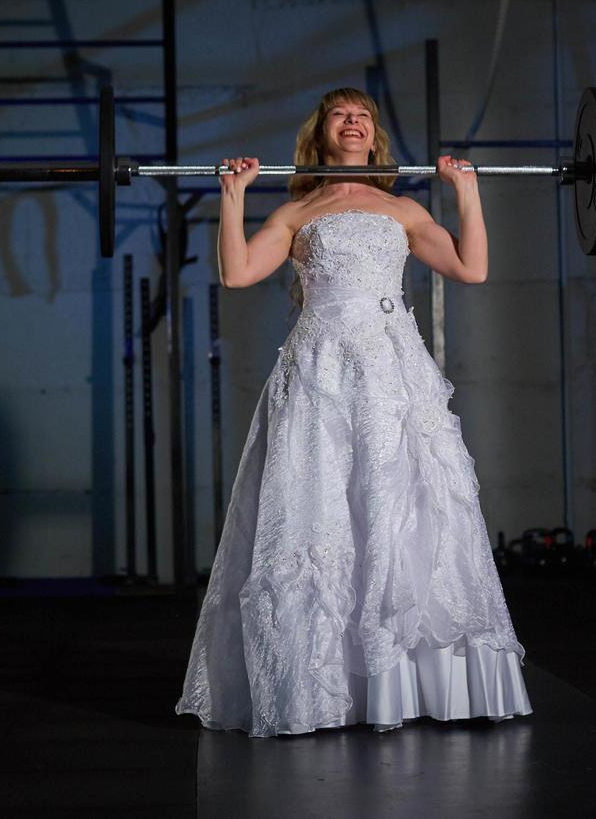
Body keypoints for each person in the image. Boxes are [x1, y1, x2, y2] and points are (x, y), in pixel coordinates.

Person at [173, 87, 533, 737]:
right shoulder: (296, 209)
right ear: (321, 132)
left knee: (401, 505)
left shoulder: (400, 207)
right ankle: (320, 689)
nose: (353, 121)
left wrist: (467, 193)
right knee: (321, 510)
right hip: (319, 373)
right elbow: (237, 273)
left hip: (392, 373)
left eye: (362, 114)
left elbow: (471, 269)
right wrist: (233, 197)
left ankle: (409, 681)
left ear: (374, 135)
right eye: (341, 113)